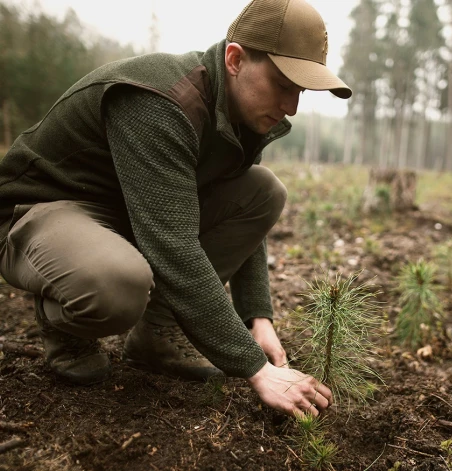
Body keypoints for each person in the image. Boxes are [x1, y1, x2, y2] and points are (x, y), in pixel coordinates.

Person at [0, 0, 351, 418]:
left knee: (263, 191)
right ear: (235, 59)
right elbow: (173, 246)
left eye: (300, 91)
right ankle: (65, 324)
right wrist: (256, 369)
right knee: (117, 285)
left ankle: (158, 335)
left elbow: (240, 219)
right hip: (42, 210)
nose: (291, 106)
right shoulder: (160, 101)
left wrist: (258, 317)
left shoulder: (239, 110)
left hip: (131, 213)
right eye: (282, 84)